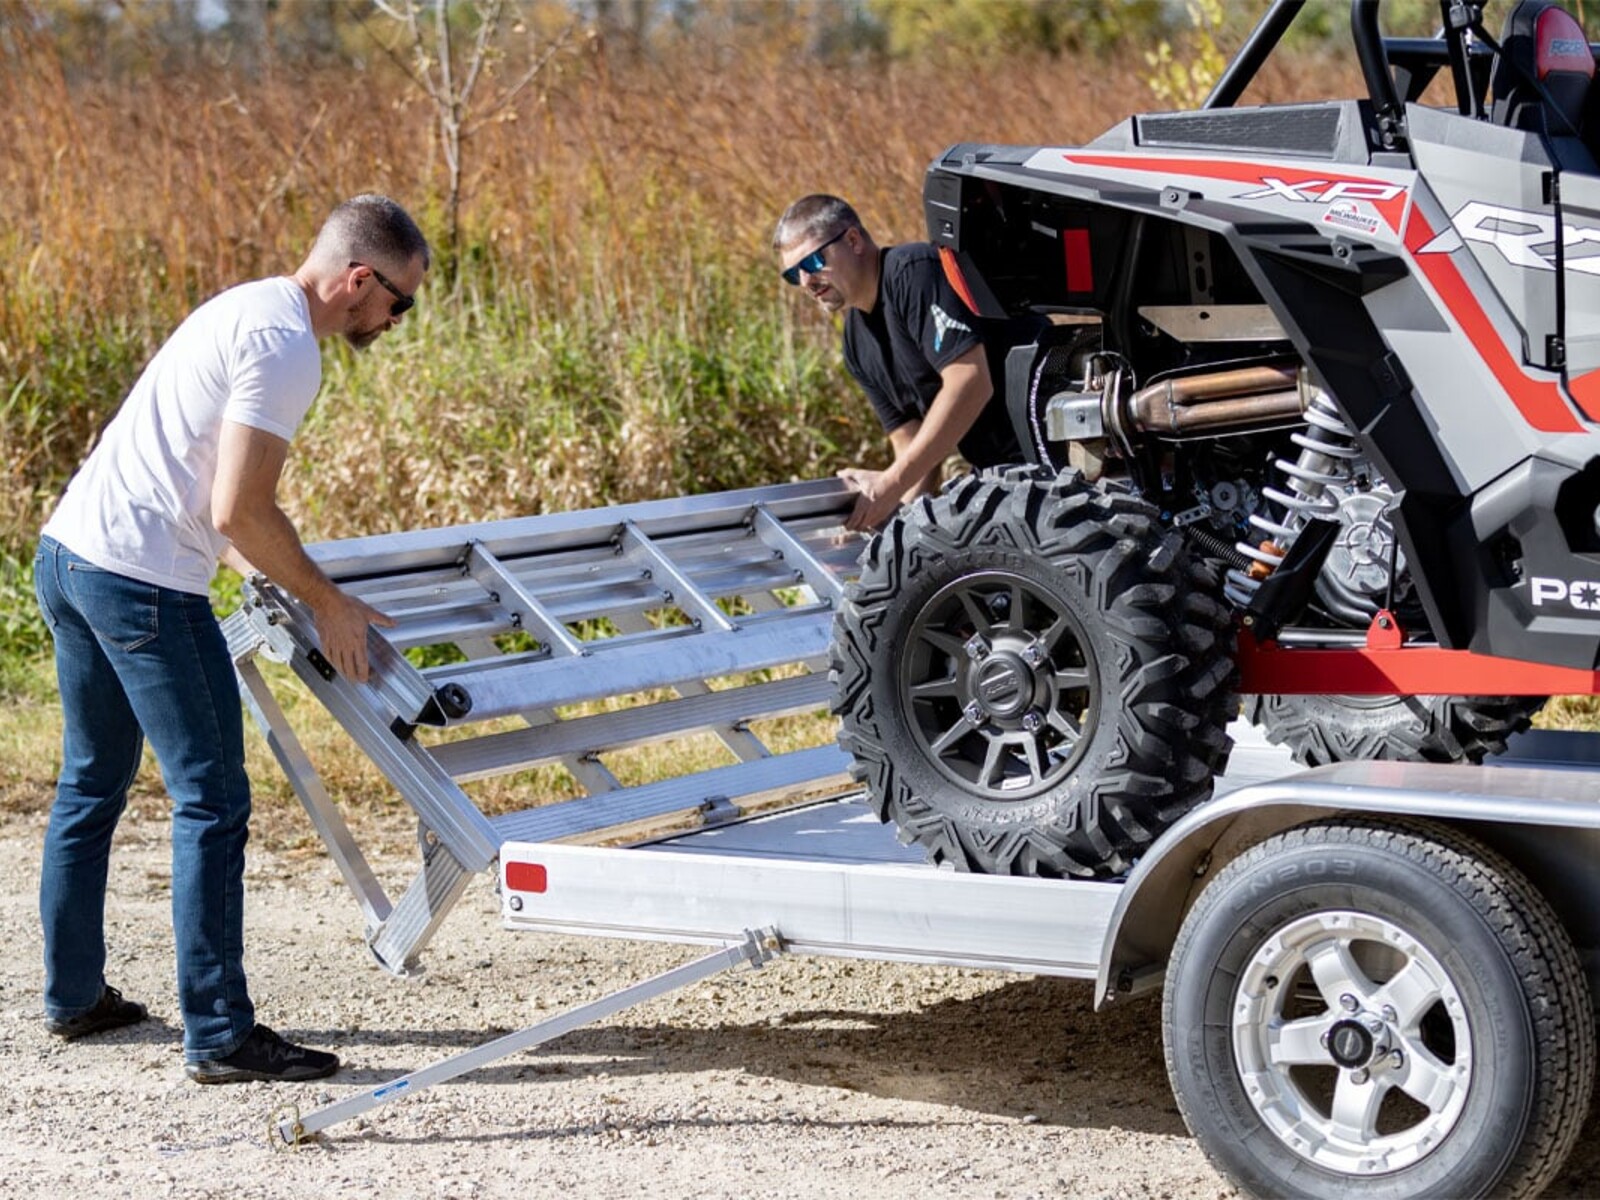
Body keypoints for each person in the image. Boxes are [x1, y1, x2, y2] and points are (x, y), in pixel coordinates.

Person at [32, 193, 429, 1084]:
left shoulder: (245, 305)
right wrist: (328, 601)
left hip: (69, 554)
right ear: (358, 280)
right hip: (141, 583)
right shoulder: (288, 347)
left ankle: (73, 995)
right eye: (398, 301)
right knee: (212, 798)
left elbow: (198, 480)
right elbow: (238, 510)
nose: (396, 320)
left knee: (90, 783)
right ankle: (218, 1033)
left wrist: (274, 570)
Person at [773, 193, 1048, 532]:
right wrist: (881, 524)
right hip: (1002, 477)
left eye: (813, 262)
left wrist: (889, 484)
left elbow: (971, 382)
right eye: (793, 275)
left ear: (854, 241)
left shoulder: (914, 272)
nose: (805, 281)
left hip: (1051, 448)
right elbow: (913, 452)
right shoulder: (856, 344)